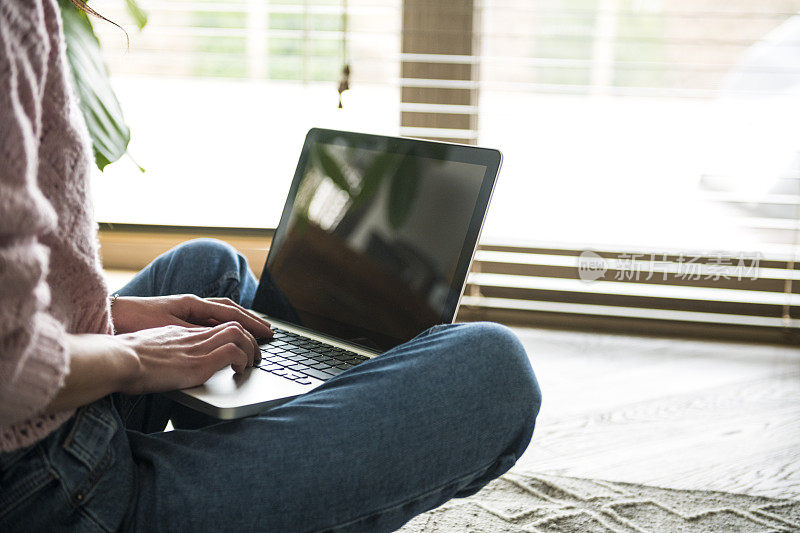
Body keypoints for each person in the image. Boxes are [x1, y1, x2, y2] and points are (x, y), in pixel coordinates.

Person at [0, 1, 542, 531]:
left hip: (52, 432)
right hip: (55, 491)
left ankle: (268, 424)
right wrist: (134, 357)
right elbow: (10, 365)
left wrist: (115, 313)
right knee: (494, 370)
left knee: (209, 268)